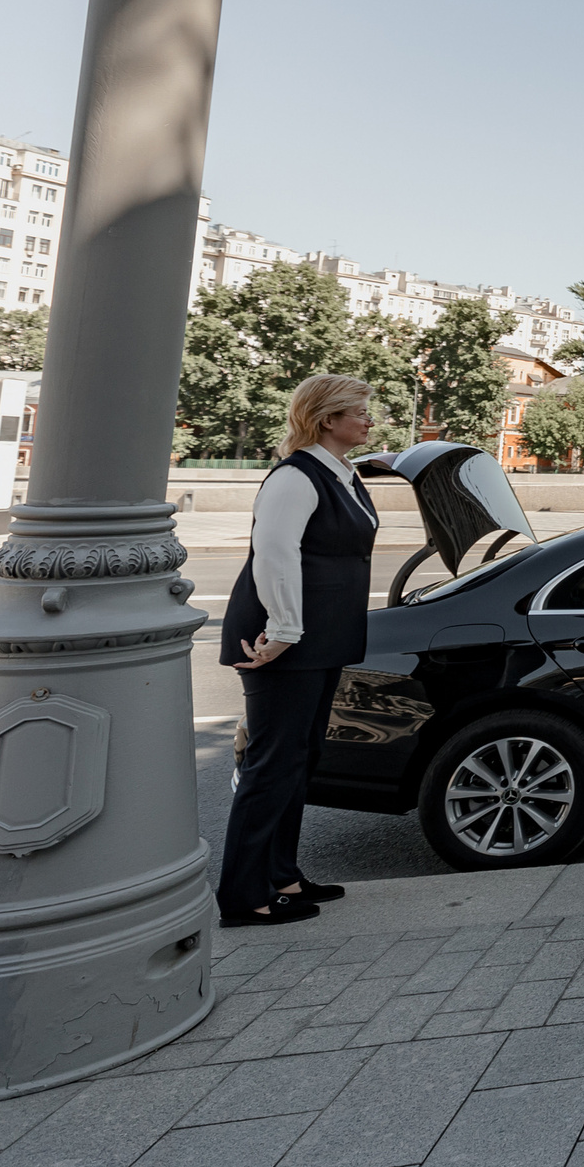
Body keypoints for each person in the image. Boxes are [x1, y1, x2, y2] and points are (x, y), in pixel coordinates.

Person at [217, 374, 382, 928]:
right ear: (326, 419)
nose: (369, 420)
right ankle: (243, 896)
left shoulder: (342, 474)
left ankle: (281, 876)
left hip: (320, 638)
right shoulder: (294, 477)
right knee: (272, 763)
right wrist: (284, 629)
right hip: (282, 640)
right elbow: (274, 555)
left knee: (300, 757)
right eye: (359, 412)